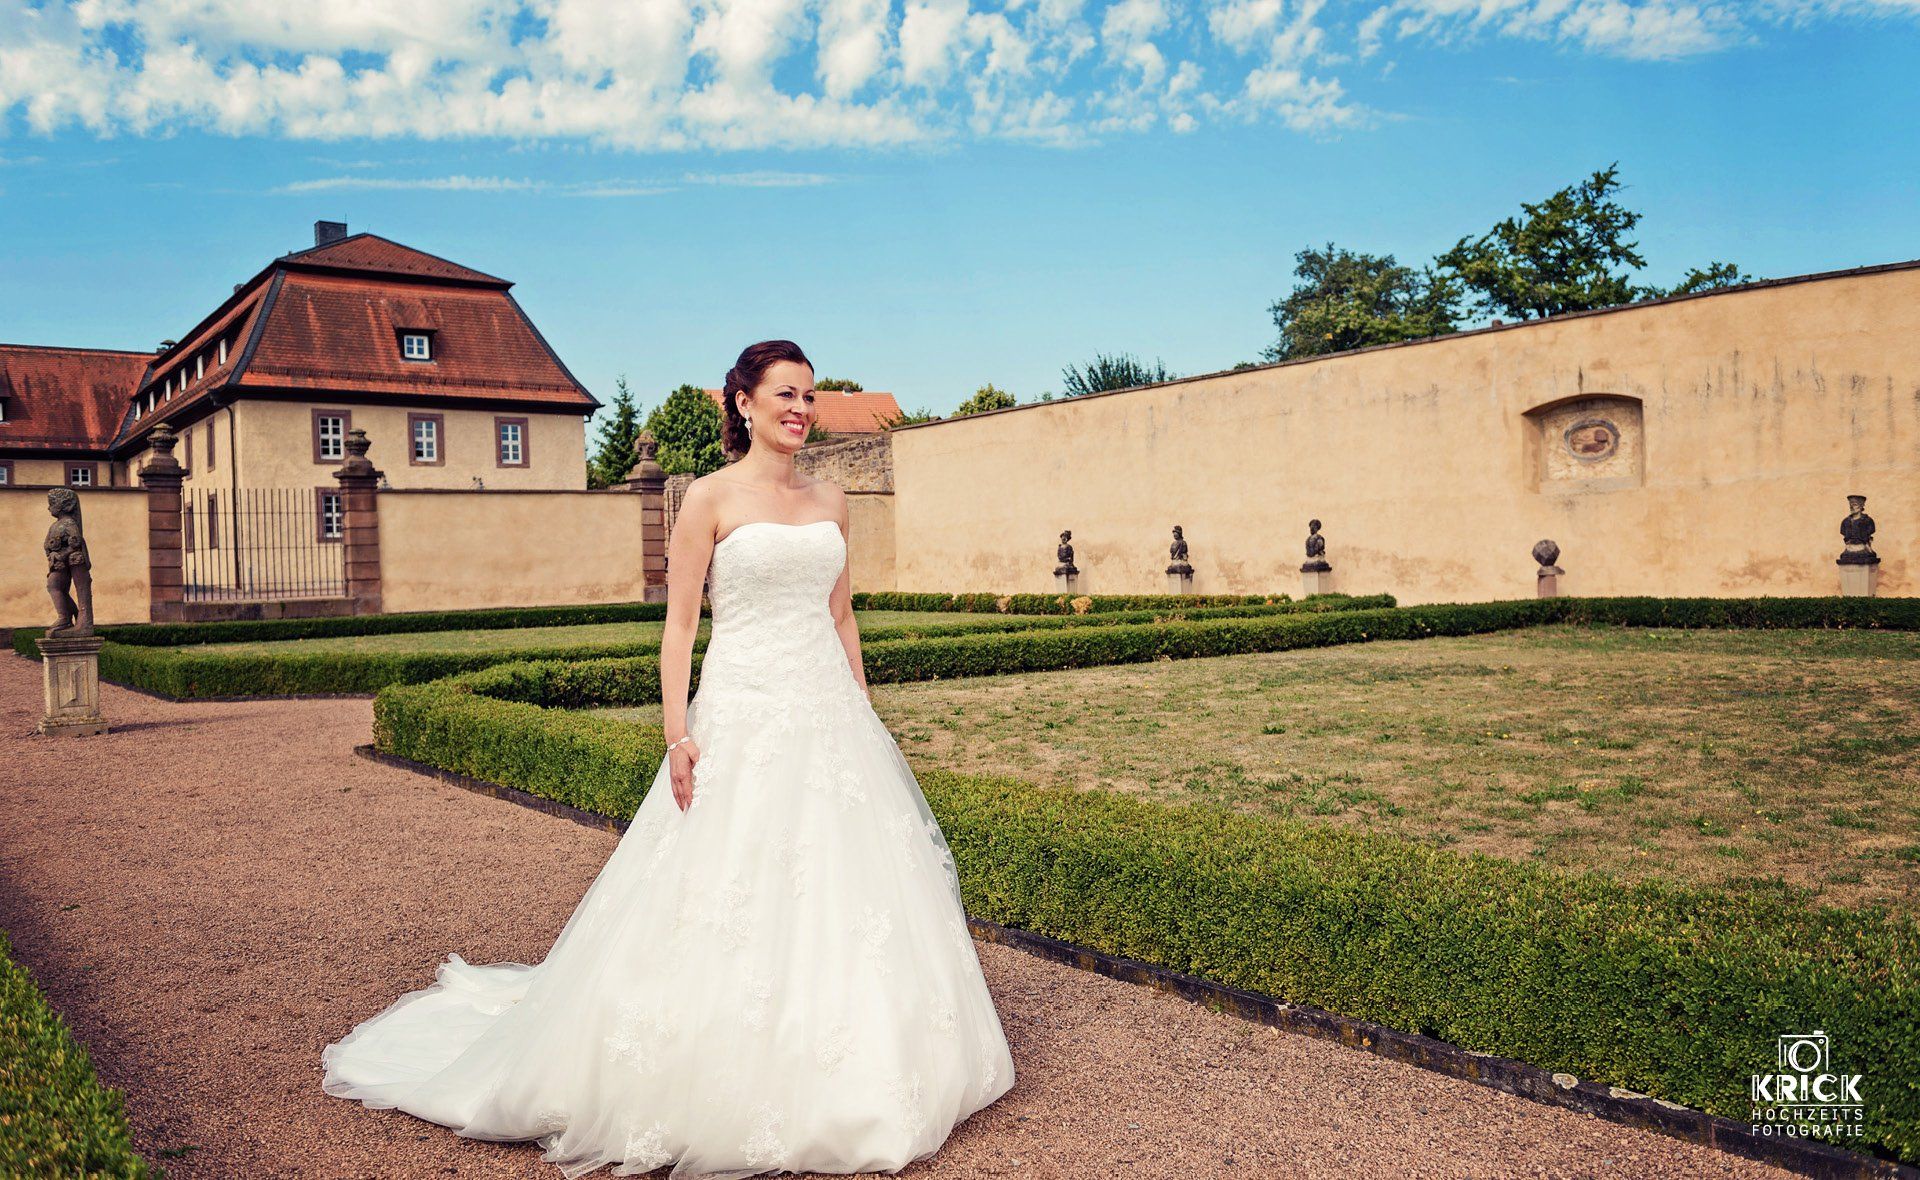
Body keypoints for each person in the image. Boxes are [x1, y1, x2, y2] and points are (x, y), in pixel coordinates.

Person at [320, 340, 1016, 1178]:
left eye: (810, 396)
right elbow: (680, 627)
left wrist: (863, 713)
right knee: (723, 885)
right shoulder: (708, 499)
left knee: (849, 890)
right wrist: (677, 734)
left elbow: (840, 620)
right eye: (785, 394)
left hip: (828, 718)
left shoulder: (833, 499)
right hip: (743, 712)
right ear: (744, 404)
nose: (801, 409)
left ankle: (863, 1064)